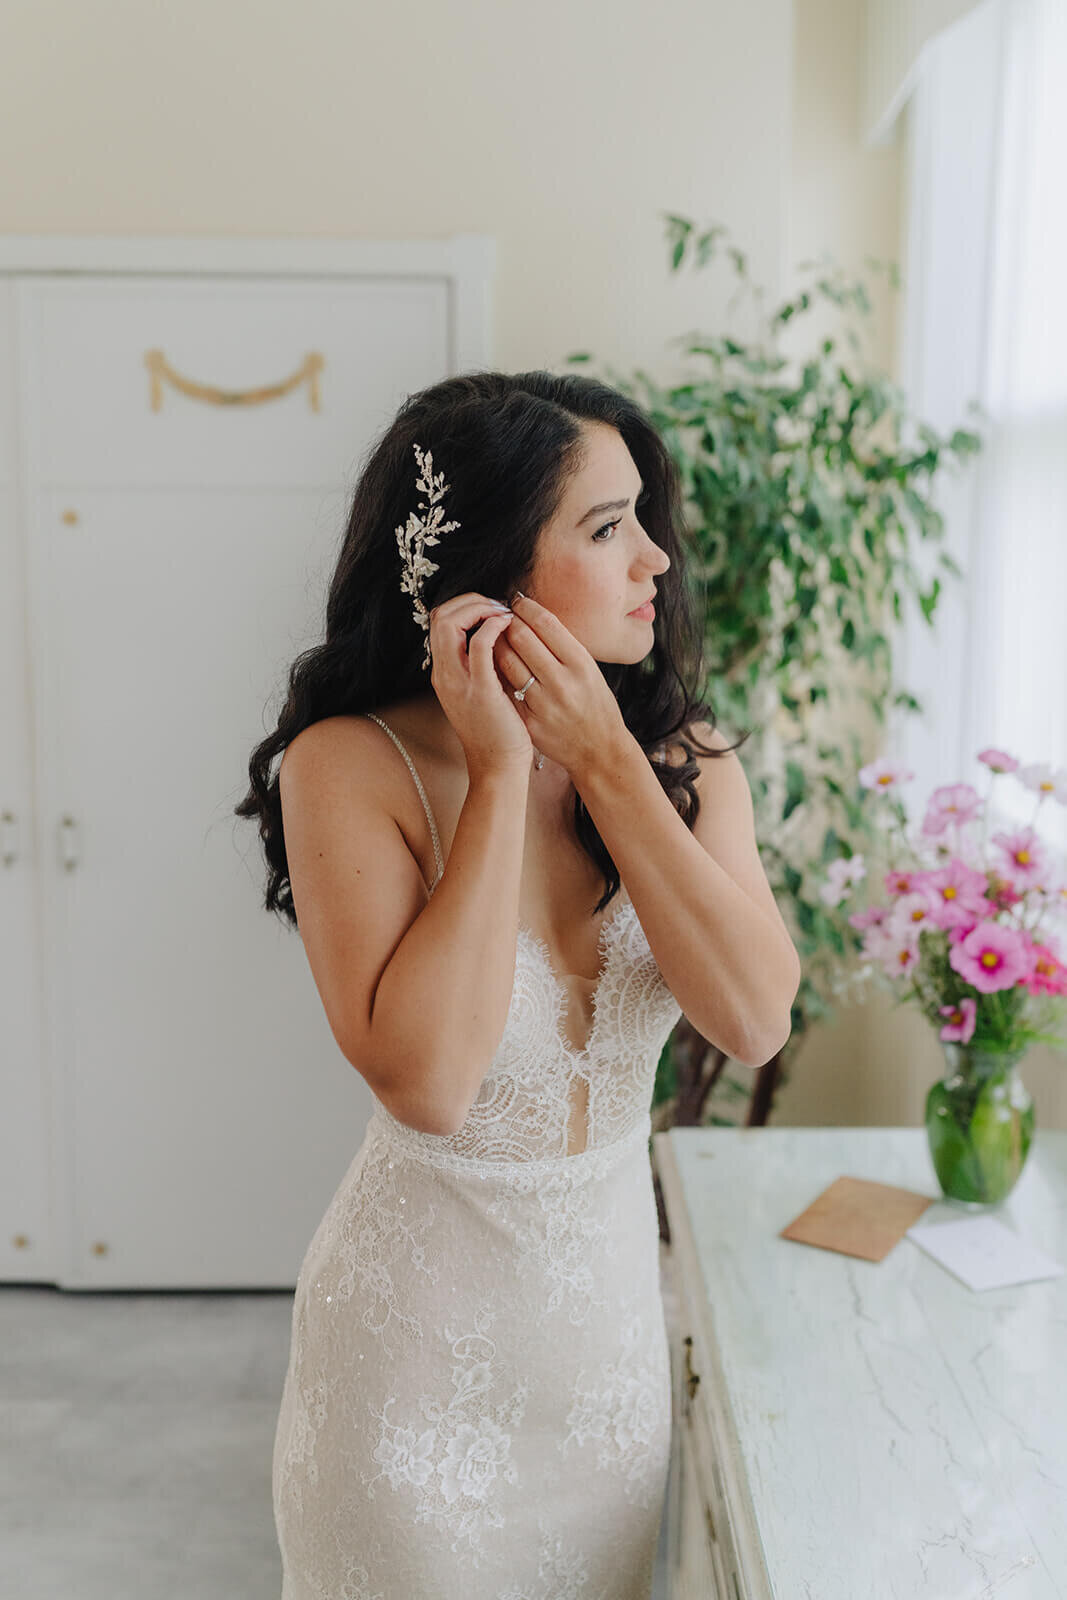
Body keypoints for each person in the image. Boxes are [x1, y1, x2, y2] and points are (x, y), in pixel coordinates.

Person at [235, 369, 801, 1598]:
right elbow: (430, 1080)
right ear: (485, 577)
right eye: (606, 528)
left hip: (600, 1373)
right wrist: (498, 777)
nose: (653, 557)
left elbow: (753, 1019)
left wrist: (605, 762)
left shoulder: (687, 766)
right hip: (408, 1385)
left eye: (644, 517)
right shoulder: (349, 765)